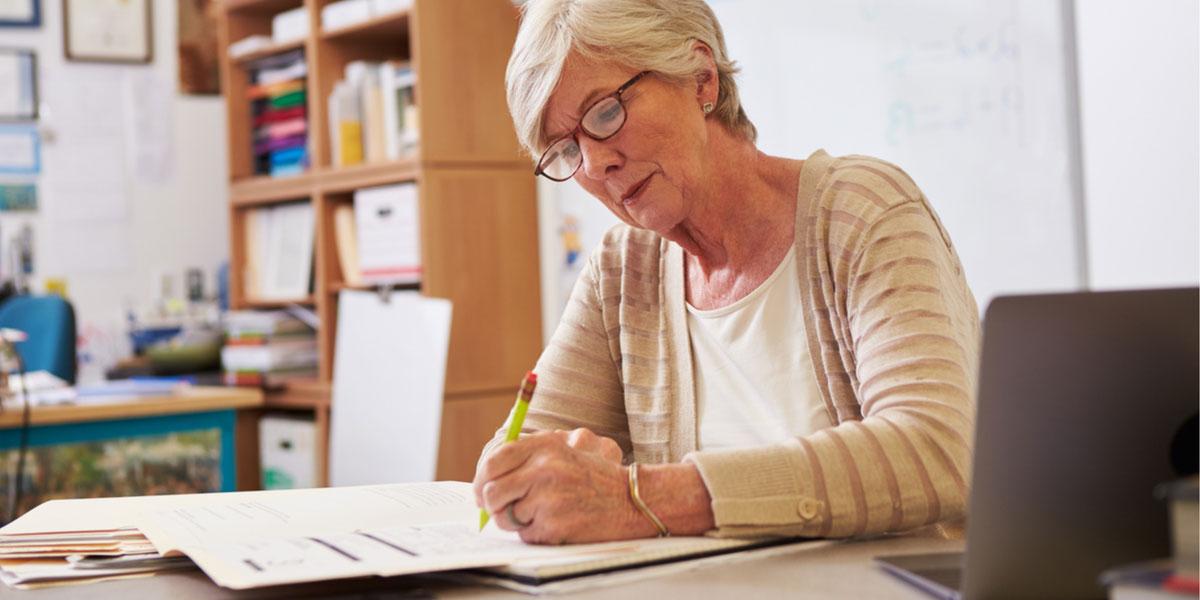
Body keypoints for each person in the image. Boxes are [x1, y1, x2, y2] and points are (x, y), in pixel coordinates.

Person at [473, 0, 980, 545]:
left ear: (700, 78)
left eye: (605, 113)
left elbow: (936, 449)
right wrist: (527, 479)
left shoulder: (863, 212)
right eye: (566, 149)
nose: (596, 166)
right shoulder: (623, 271)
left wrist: (641, 499)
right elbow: (518, 459)